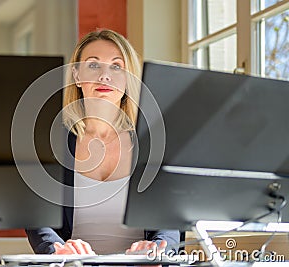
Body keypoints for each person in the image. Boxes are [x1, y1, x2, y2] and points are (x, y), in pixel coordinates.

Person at [26, 29, 179, 256]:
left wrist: (157, 248)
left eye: (116, 66)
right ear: (77, 75)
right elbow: (36, 218)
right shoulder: (51, 143)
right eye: (93, 65)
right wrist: (57, 250)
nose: (104, 76)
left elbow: (170, 221)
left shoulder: (152, 143)